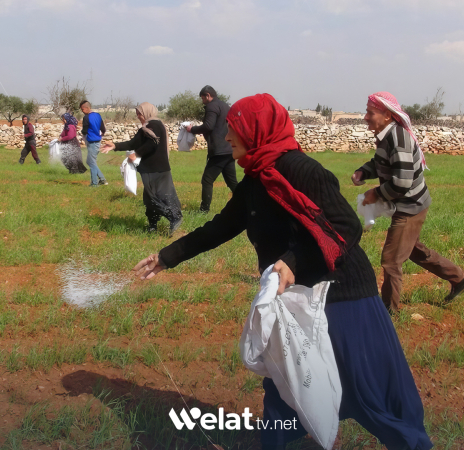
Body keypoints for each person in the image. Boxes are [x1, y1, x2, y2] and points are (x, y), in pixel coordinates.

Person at [134, 94, 433, 450]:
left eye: (234, 129)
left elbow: (345, 226)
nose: (227, 137)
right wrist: (166, 257)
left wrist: (293, 260)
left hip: (342, 296)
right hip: (293, 302)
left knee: (372, 389)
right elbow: (219, 227)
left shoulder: (302, 170)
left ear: (256, 130)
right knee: (286, 386)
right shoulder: (255, 179)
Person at [352, 91, 464, 313]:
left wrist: (375, 194)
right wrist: (363, 171)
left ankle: (388, 313)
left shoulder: (398, 139)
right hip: (409, 203)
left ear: (387, 115)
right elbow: (380, 162)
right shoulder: (386, 135)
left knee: (391, 260)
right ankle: (460, 279)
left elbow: (402, 182)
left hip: (410, 207)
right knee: (413, 250)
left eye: (370, 112)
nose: (365, 117)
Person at [101, 102, 183, 235]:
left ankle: (174, 217)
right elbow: (133, 143)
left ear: (146, 112)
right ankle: (153, 226)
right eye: (137, 114)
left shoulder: (154, 126)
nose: (138, 116)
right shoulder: (149, 127)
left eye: (140, 113)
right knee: (154, 197)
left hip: (154, 169)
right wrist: (115, 146)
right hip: (157, 168)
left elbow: (153, 143)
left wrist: (137, 154)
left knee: (154, 198)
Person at [185, 85, 238, 213]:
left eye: (203, 98)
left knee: (207, 180)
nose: (203, 101)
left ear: (208, 95)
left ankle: (204, 210)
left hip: (219, 150)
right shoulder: (225, 106)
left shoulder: (212, 106)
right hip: (229, 149)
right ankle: (248, 203)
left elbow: (208, 126)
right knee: (232, 182)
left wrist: (192, 129)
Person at [79, 100, 108, 186]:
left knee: (91, 163)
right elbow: (103, 129)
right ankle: (102, 179)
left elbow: (84, 131)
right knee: (90, 161)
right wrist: (99, 135)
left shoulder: (86, 117)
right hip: (97, 141)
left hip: (91, 142)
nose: (82, 111)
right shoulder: (98, 115)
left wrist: (80, 131)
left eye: (82, 109)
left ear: (87, 108)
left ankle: (94, 184)